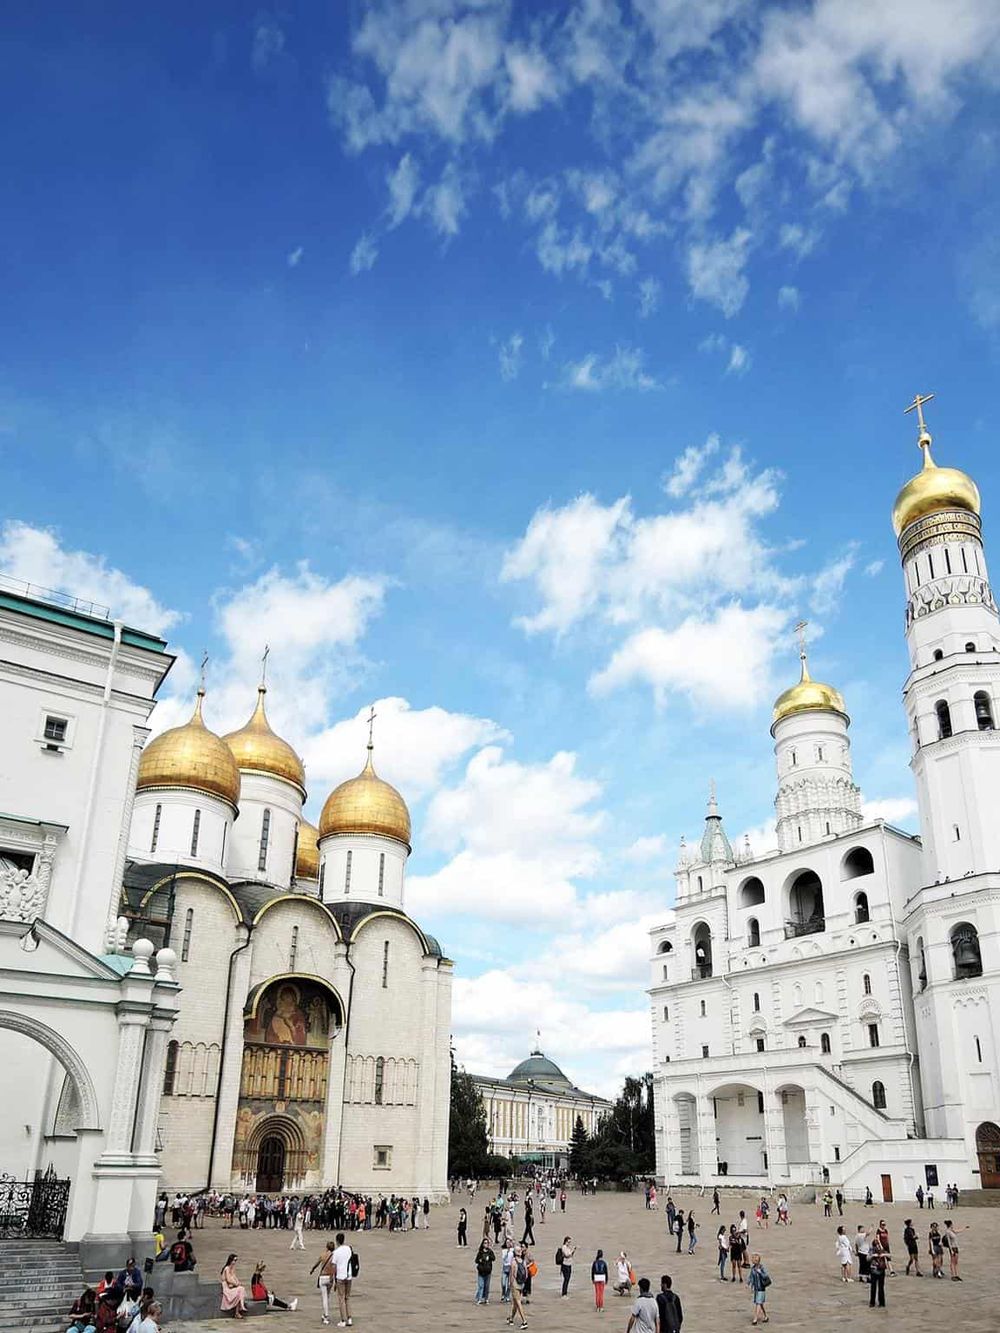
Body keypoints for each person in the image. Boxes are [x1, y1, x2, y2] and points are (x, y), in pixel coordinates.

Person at [310, 1240, 336, 1326]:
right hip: (330, 1277)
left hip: (323, 1277)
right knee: (327, 1296)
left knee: (324, 1297)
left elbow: (316, 1264)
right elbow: (334, 1268)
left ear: (326, 1247)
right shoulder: (334, 1256)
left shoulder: (323, 1255)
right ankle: (325, 1313)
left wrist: (312, 1269)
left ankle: (326, 1315)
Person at [507, 1245, 528, 1330]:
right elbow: (526, 1275)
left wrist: (510, 1284)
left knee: (518, 1302)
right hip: (521, 1284)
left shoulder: (513, 1262)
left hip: (515, 1284)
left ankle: (524, 1321)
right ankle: (511, 1318)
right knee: (515, 1303)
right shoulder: (523, 1261)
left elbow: (512, 1275)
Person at [219, 1255, 246, 1320]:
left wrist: (238, 1283)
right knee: (240, 1290)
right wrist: (236, 1284)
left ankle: (238, 1311)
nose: (234, 1262)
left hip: (232, 1286)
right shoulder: (227, 1268)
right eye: (234, 1260)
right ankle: (241, 1307)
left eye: (235, 1260)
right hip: (227, 1288)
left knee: (241, 1290)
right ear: (230, 1260)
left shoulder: (232, 1268)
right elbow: (228, 1279)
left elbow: (234, 1277)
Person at [746, 1254, 771, 1326]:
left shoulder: (762, 1268)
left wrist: (760, 1272)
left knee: (758, 1303)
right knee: (760, 1303)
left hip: (761, 1288)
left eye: (754, 1259)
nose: (753, 1261)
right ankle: (765, 1316)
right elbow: (751, 1276)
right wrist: (749, 1283)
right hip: (756, 1288)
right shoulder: (753, 1268)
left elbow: (766, 1276)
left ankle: (755, 1319)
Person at [868, 1235, 889, 1308]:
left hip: (881, 1270)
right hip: (874, 1270)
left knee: (881, 1288)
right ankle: (872, 1302)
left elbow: (889, 1255)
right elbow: (868, 1258)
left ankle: (882, 1302)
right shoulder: (871, 1249)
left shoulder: (882, 1249)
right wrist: (874, 1255)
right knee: (873, 1287)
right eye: (876, 1243)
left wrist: (883, 1254)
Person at [474, 1238, 495, 1304]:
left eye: (487, 1243)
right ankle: (479, 1299)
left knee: (487, 1286)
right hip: (481, 1271)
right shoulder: (480, 1252)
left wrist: (489, 1258)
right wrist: (480, 1260)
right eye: (485, 1243)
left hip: (488, 1271)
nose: (486, 1244)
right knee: (481, 1285)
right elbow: (476, 1260)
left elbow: (494, 1258)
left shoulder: (490, 1252)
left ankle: (486, 1299)